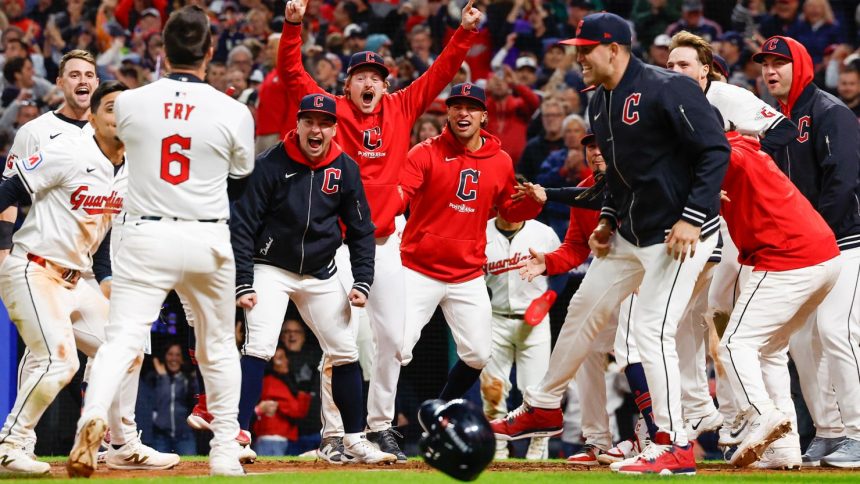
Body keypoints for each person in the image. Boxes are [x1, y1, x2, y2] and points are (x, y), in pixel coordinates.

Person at [216, 0, 484, 464]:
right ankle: (336, 433)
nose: (369, 82)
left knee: (397, 344)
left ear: (387, 84)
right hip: (337, 242)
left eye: (377, 77)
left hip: (386, 241)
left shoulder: (402, 106)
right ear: (348, 84)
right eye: (361, 76)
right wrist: (293, 24)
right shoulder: (332, 113)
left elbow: (441, 74)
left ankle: (379, 427)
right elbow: (292, 72)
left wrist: (463, 33)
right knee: (344, 343)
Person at [491, 13, 730, 476]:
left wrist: (692, 218)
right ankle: (542, 405)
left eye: (585, 48)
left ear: (614, 49)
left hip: (680, 235)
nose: (577, 56)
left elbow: (714, 150)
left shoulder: (668, 87)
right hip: (630, 233)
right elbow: (618, 179)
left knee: (650, 329)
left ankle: (675, 442)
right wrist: (604, 219)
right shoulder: (599, 101)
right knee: (583, 311)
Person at [67, 6, 255, 477]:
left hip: (146, 232)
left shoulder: (129, 103)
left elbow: (121, 141)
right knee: (217, 347)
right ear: (210, 52)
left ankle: (93, 417)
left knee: (122, 337)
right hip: (206, 233)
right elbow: (241, 171)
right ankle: (226, 450)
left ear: (162, 51)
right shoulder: (233, 110)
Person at [0, 81, 178, 476]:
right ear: (93, 117)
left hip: (76, 279)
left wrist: (105, 278)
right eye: (112, 108)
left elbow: (100, 228)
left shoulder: (131, 167)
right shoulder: (67, 151)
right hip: (33, 267)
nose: (121, 116)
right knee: (59, 363)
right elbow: (8, 190)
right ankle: (9, 445)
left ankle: (121, 445)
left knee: (128, 352)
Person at [230, 92, 393, 464]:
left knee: (346, 351)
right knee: (259, 346)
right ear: (298, 124)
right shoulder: (271, 163)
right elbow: (243, 225)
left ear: (334, 129)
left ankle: (353, 439)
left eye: (324, 123)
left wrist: (362, 280)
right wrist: (244, 281)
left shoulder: (346, 168)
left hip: (321, 271)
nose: (316, 129)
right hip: (270, 266)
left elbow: (361, 229)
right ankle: (237, 436)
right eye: (309, 121)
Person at [666, 30, 801, 467]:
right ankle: (731, 416)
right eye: (670, 65)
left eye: (684, 64)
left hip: (750, 223)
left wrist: (745, 167)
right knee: (711, 318)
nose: (675, 72)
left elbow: (782, 131)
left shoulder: (727, 95)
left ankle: (753, 421)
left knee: (745, 334)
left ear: (707, 71)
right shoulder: (677, 103)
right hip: (722, 224)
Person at [399, 83, 545, 406]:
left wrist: (533, 204)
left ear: (484, 116)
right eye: (456, 106)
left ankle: (438, 410)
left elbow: (509, 210)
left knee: (479, 354)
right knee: (396, 347)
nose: (463, 113)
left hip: (466, 273)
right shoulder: (424, 152)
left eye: (471, 108)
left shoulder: (502, 161)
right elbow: (401, 196)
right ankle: (376, 426)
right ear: (448, 112)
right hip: (418, 268)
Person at [755, 35, 860, 468]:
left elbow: (844, 181)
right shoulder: (780, 121)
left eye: (780, 62)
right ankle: (830, 430)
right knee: (801, 340)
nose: (770, 70)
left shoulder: (829, 111)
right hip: (807, 248)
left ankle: (857, 431)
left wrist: (813, 233)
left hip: (845, 240)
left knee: (839, 332)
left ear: (801, 65)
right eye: (764, 63)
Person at [519, 132, 652, 466]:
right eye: (590, 147)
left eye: (602, 145)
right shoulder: (584, 188)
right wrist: (548, 262)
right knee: (590, 349)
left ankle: (655, 433)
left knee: (630, 351)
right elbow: (577, 247)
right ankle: (597, 440)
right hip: (608, 283)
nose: (596, 152)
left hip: (645, 280)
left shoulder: (638, 178)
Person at [716, 132, 841, 468]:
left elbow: (721, 157)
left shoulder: (725, 152)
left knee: (734, 345)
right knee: (770, 350)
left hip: (789, 258)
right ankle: (784, 449)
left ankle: (760, 414)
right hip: (823, 257)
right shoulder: (742, 147)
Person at [1, 50, 99, 262]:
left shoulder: (112, 133)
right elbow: (8, 195)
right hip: (46, 259)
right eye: (74, 75)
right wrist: (2, 251)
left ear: (97, 82)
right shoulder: (34, 131)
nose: (83, 80)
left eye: (89, 75)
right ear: (60, 83)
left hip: (99, 264)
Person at [481, 207, 560, 460]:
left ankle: (538, 451)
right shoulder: (481, 232)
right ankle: (497, 450)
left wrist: (550, 296)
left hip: (534, 323)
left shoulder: (543, 233)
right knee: (493, 392)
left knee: (535, 392)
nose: (512, 209)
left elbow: (562, 267)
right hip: (495, 318)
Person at [253, 346, 312, 456]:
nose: (285, 361)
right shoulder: (270, 383)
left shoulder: (283, 381)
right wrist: (303, 394)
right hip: (271, 440)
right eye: (280, 358)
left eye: (285, 357)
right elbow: (296, 410)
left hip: (278, 439)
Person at [149, 343, 199, 455]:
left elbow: (195, 404)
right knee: (159, 470)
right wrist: (164, 379)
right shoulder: (153, 378)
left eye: (178, 355)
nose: (174, 358)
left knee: (189, 469)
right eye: (170, 354)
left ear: (182, 359)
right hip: (160, 436)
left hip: (185, 435)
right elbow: (157, 403)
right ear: (164, 356)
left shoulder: (189, 379)